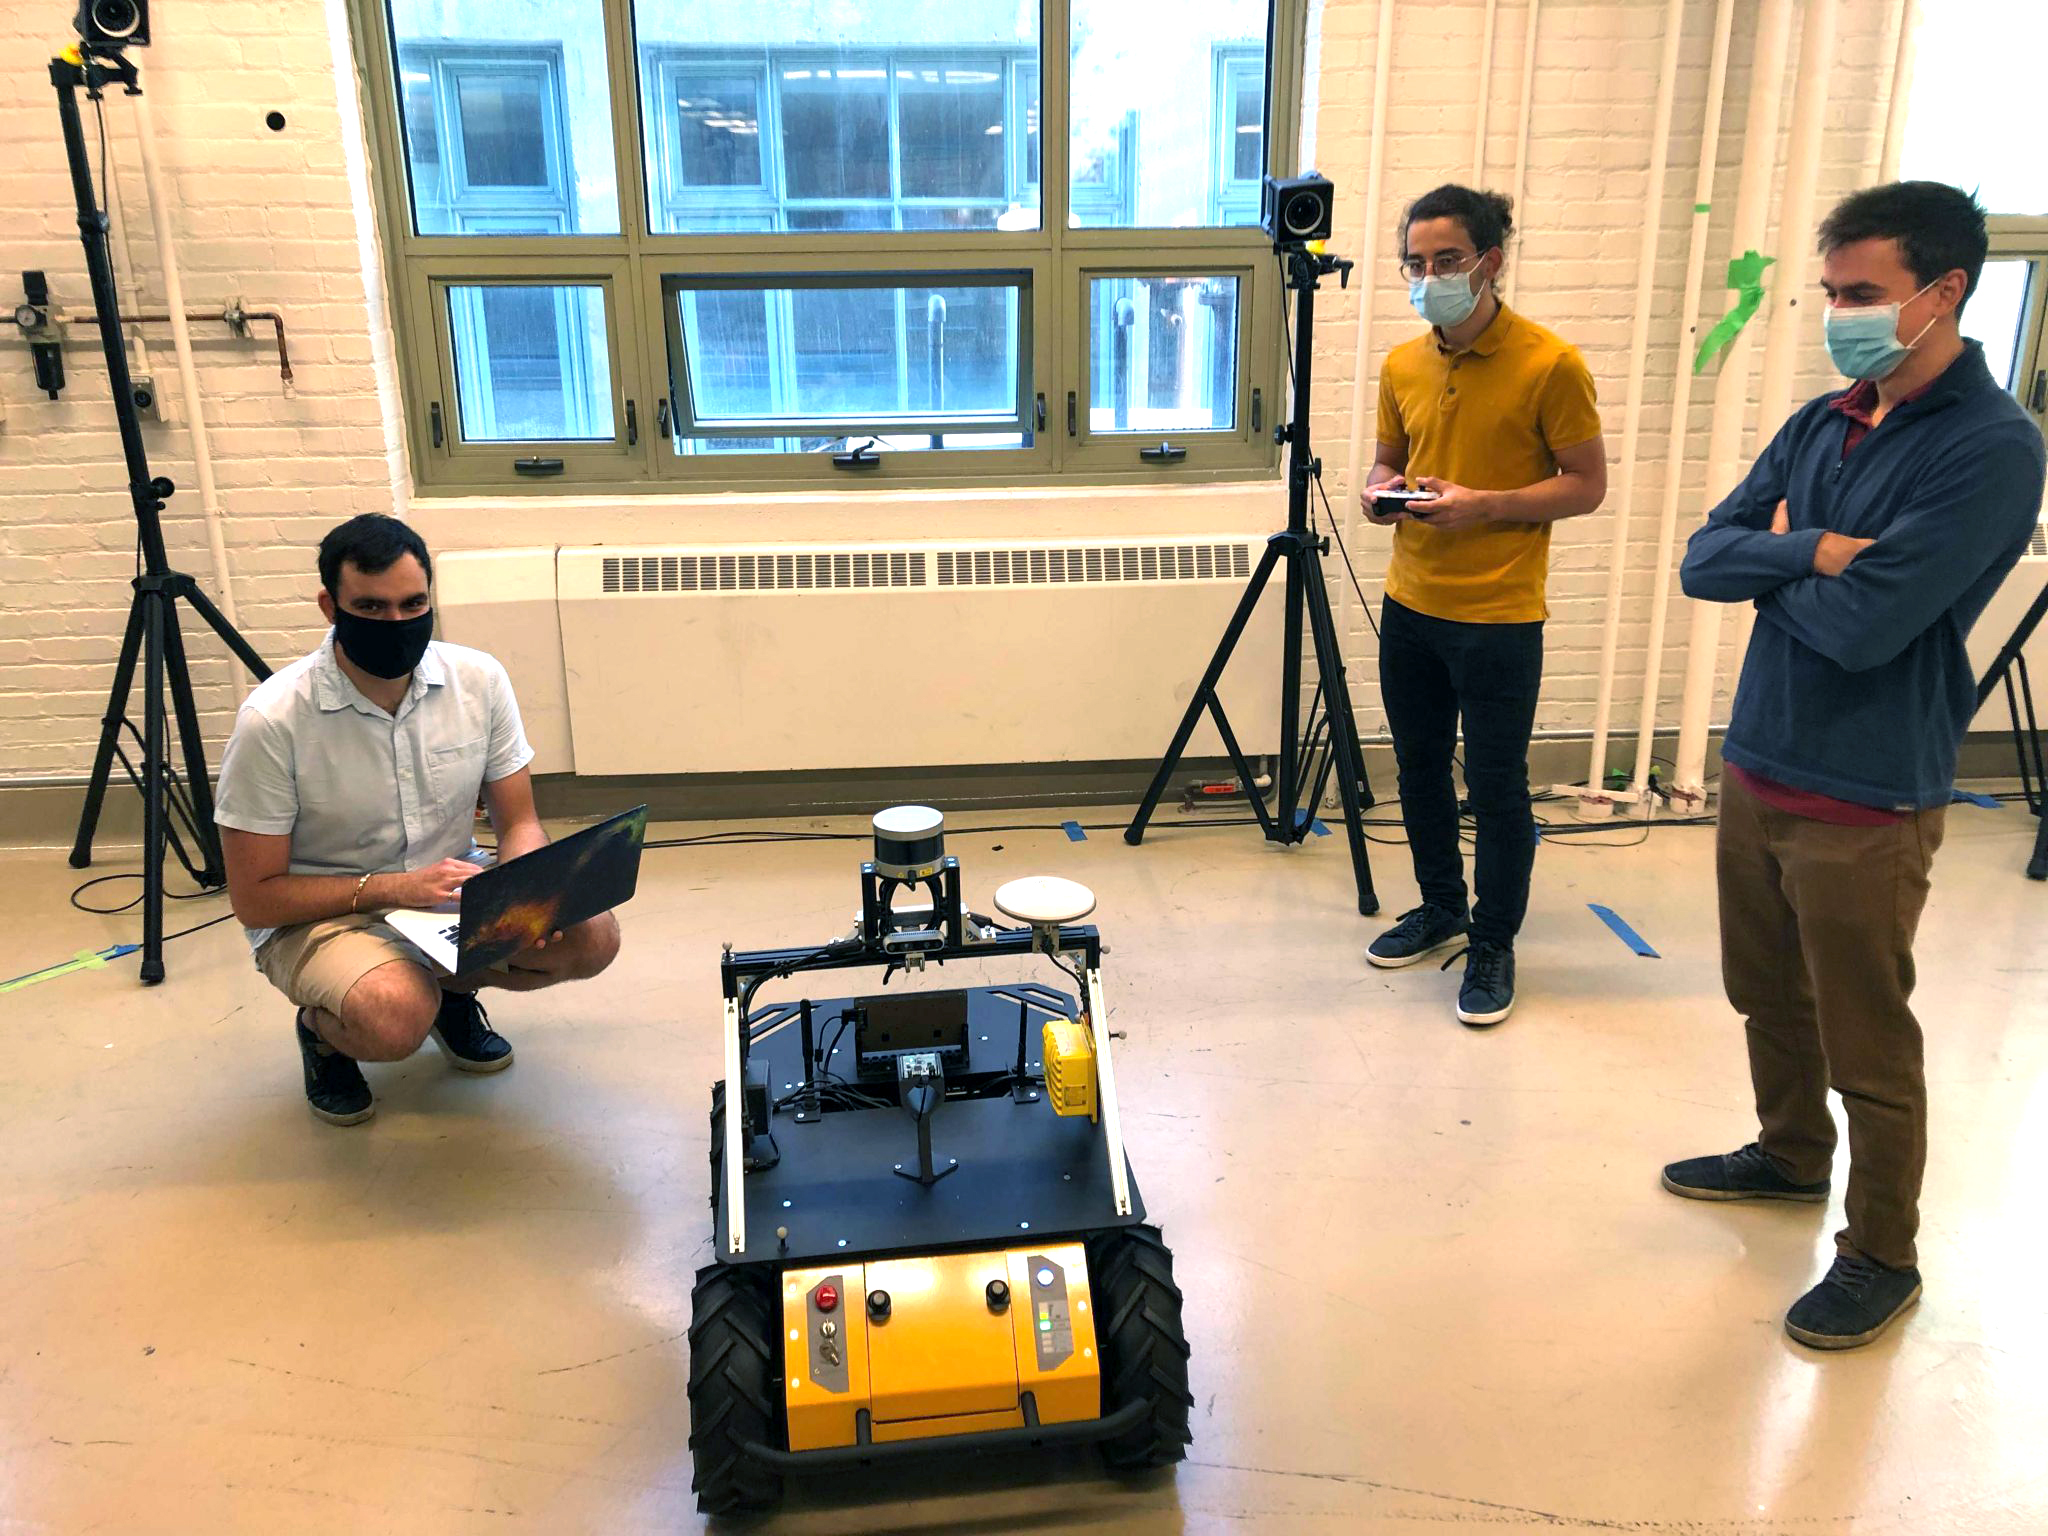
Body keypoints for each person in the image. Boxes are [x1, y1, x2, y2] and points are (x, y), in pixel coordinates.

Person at [1666, 182, 2046, 1350]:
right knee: (1764, 995)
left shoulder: (1991, 449)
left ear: (1943, 291)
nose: (1841, 315)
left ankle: (1881, 1253)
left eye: (1862, 294)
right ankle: (1788, 1155)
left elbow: (1866, 629)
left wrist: (1773, 564)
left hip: (1867, 791)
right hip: (1758, 760)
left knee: (1865, 1040)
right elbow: (1700, 558)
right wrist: (1812, 552)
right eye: (1830, 293)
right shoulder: (1820, 421)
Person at [215, 514, 623, 1126]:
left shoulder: (478, 680)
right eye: (370, 607)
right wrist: (395, 888)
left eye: (413, 604)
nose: (396, 622)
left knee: (592, 938)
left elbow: (519, 823)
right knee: (393, 1017)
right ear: (330, 607)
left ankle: (449, 994)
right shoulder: (273, 720)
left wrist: (526, 889)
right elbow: (256, 900)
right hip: (322, 913)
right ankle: (324, 1034)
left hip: (448, 892)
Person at [1359, 185, 1608, 1026]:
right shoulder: (1402, 364)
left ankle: (1494, 941)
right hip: (1411, 603)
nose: (1429, 277)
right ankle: (1441, 906)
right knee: (1418, 767)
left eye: (1447, 260)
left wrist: (1485, 505)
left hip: (1500, 613)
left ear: (1489, 262)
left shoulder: (1551, 364)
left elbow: (1586, 486)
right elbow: (1388, 460)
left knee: (1497, 785)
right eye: (1416, 263)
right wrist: (1380, 492)